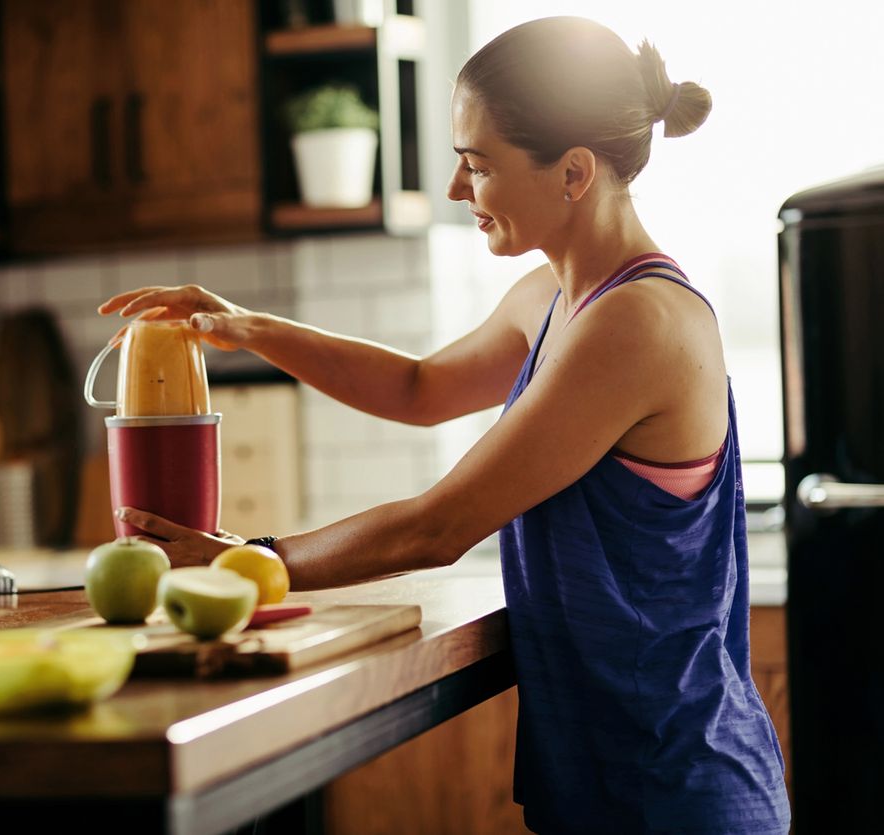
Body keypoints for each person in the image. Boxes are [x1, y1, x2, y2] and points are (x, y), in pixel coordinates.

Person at [97, 16, 790, 834]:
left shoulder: (638, 323)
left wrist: (251, 561)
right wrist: (246, 327)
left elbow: (441, 525)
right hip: (612, 778)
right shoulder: (556, 299)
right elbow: (419, 387)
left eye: (478, 164)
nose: (460, 189)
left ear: (573, 173)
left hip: (676, 790)